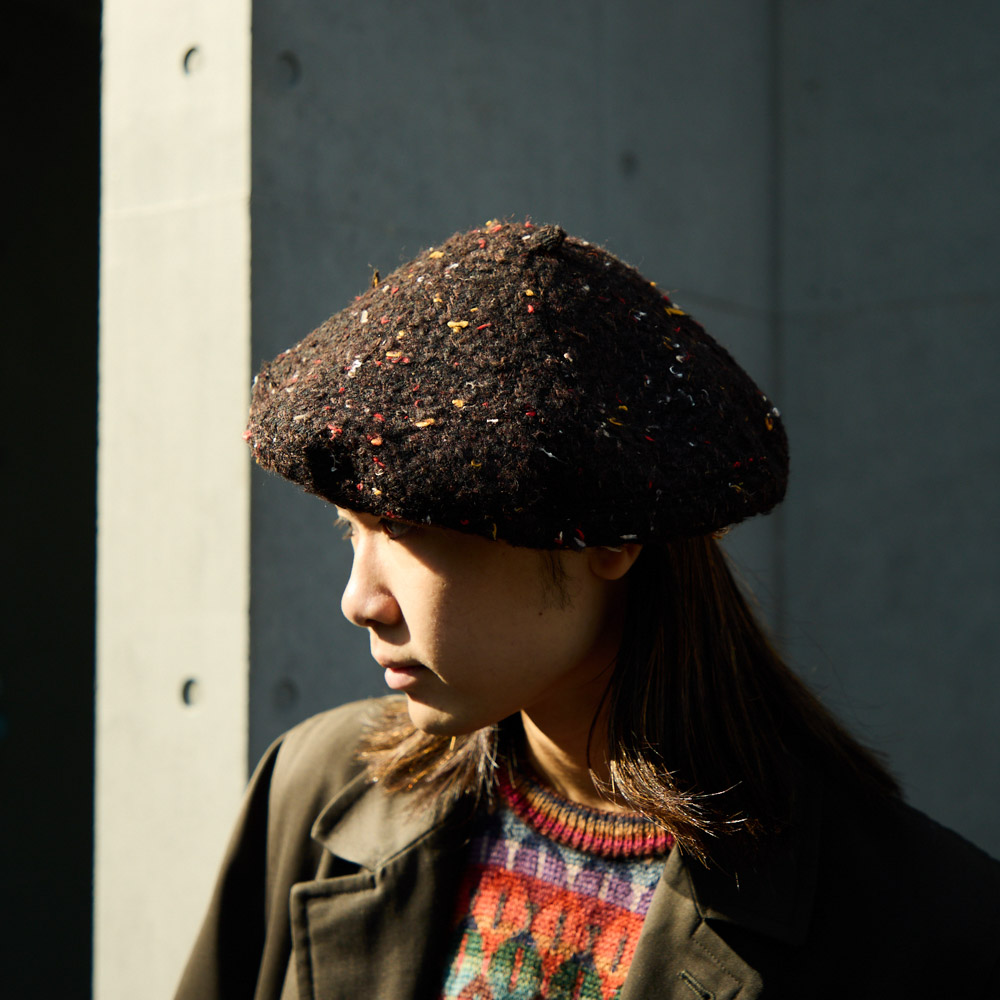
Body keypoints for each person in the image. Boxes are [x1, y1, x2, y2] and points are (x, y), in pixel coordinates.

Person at [176, 221, 1000, 1000]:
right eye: (349, 530)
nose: (359, 600)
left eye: (409, 529)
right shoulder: (312, 785)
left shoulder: (925, 925)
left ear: (610, 539)